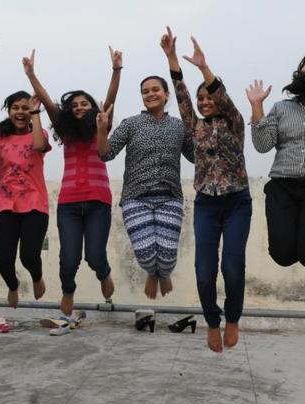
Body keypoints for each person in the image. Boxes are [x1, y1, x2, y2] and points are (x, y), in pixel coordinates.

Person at [162, 27, 250, 352]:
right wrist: (172, 57)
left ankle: (233, 318)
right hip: (206, 204)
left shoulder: (235, 122)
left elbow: (222, 97)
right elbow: (182, 96)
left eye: (209, 96)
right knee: (204, 271)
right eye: (201, 99)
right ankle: (212, 322)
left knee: (231, 266)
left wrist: (204, 67)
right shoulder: (195, 126)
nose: (204, 101)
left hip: (237, 202)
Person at [23, 46, 121, 318]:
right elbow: (48, 103)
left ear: (93, 108)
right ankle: (68, 291)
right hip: (69, 204)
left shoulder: (101, 125)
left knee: (94, 256)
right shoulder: (66, 131)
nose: (79, 107)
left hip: (98, 202)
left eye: (84, 103)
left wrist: (116, 70)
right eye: (74, 105)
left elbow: (110, 99)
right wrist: (32, 75)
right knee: (68, 259)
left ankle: (104, 274)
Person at [97, 72, 194, 300]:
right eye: (145, 91)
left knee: (168, 256)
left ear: (166, 94)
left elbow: (195, 157)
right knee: (146, 254)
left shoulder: (179, 127)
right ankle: (152, 273)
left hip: (170, 196)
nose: (150, 94)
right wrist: (101, 129)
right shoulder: (131, 124)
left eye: (155, 90)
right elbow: (105, 154)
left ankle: (163, 274)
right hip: (136, 197)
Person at [0, 92, 51, 308]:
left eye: (25, 108)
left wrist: (36, 112)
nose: (20, 112)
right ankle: (13, 285)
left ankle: (37, 277)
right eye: (15, 108)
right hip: (7, 206)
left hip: (35, 205)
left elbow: (38, 145)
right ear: (8, 112)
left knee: (28, 256)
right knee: (3, 260)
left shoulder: (40, 133)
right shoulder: (1, 139)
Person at [248, 56, 305, 268]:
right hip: (283, 186)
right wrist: (257, 106)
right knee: (282, 255)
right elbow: (262, 145)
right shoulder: (281, 108)